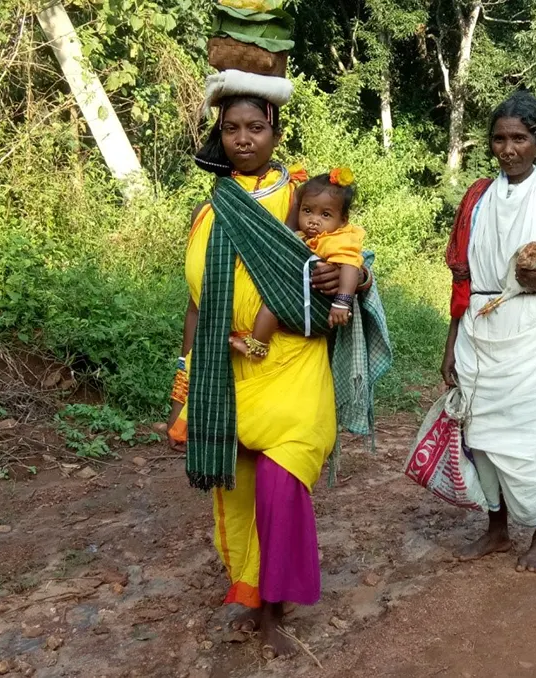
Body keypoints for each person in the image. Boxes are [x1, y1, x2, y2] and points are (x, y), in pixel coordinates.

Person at [161, 94, 374, 656]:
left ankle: (275, 610)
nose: (244, 138)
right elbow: (195, 303)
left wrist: (353, 283)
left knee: (280, 489)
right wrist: (187, 373)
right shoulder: (210, 209)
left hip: (292, 365)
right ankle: (249, 587)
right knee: (237, 492)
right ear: (220, 137)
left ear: (276, 135)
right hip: (226, 364)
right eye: (231, 128)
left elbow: (344, 251)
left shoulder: (297, 198)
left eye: (257, 127)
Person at [441, 90, 536, 573]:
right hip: (480, 326)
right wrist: (450, 345)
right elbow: (463, 278)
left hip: (534, 329)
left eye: (520, 139)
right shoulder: (478, 198)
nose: (508, 149)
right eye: (499, 139)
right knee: (483, 434)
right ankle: (497, 530)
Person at [231, 169, 366, 360]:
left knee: (273, 304)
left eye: (325, 215)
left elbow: (351, 265)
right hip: (303, 298)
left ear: (343, 220)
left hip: (319, 305)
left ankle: (257, 348)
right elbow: (285, 236)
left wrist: (342, 302)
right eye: (307, 211)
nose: (313, 220)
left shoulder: (336, 239)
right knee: (272, 305)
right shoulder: (305, 237)